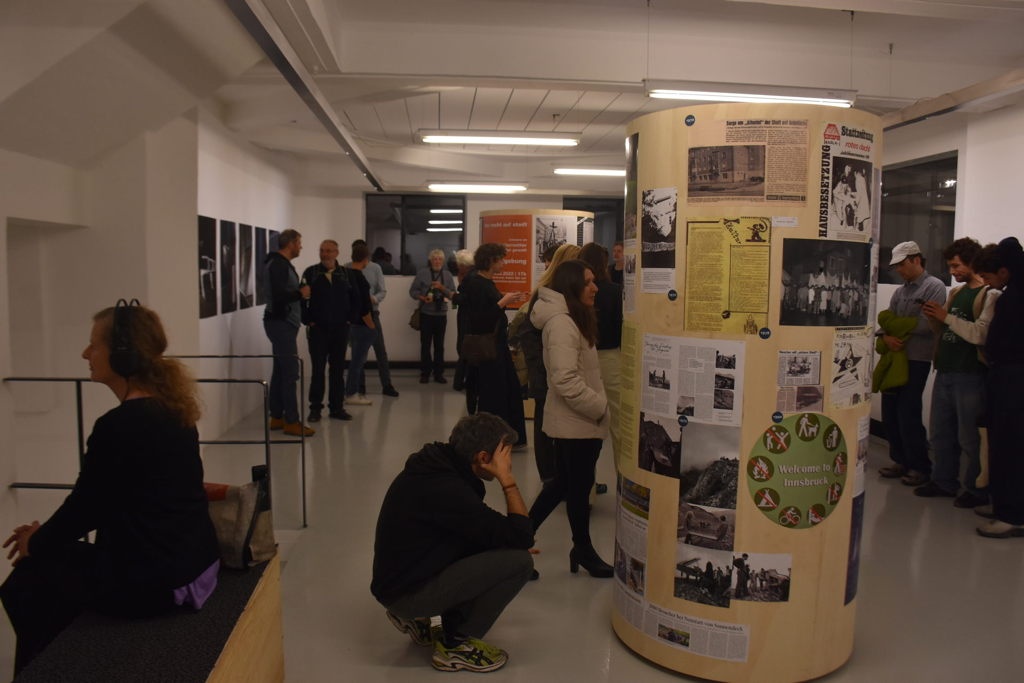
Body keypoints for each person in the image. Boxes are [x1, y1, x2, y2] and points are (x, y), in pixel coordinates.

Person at [1, 303, 220, 676]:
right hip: (193, 563)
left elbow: (85, 508)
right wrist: (43, 539)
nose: (85, 354)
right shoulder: (173, 409)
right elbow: (97, 503)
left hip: (157, 581)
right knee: (52, 559)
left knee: (25, 582)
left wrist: (35, 542)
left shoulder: (118, 425)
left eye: (94, 345)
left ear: (122, 354)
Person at [371, 413, 534, 673]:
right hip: (404, 594)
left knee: (502, 547)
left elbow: (474, 530)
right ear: (483, 457)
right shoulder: (449, 489)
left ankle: (418, 618)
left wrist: (505, 539)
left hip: (399, 580)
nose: (509, 461)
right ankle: (455, 644)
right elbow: (522, 535)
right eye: (505, 455)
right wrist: (508, 480)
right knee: (520, 562)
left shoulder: (438, 466)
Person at [527, 259, 612, 578]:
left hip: (575, 422)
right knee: (576, 489)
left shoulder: (573, 318)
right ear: (571, 286)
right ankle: (583, 549)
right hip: (576, 423)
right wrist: (599, 408)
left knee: (563, 485)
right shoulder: (562, 323)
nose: (595, 287)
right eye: (588, 282)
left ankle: (518, 540)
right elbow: (564, 380)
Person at [918, 238, 999, 505]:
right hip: (945, 370)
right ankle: (944, 480)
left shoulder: (989, 295)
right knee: (940, 432)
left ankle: (975, 489)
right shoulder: (955, 293)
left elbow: (979, 334)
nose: (952, 272)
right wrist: (934, 317)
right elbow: (944, 330)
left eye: (956, 266)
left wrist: (945, 317)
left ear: (972, 263)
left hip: (970, 373)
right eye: (950, 266)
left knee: (970, 437)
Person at [510, 243, 581, 483]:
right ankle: (550, 477)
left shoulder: (555, 292)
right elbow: (529, 337)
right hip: (545, 371)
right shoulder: (547, 295)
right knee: (544, 422)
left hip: (551, 368)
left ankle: (558, 475)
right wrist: (542, 367)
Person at [877, 241, 945, 487]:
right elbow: (885, 321)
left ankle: (919, 466)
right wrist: (887, 337)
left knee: (909, 413)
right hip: (894, 358)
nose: (899, 270)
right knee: (890, 412)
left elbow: (926, 325)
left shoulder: (934, 287)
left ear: (916, 260)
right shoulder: (900, 292)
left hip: (916, 359)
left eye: (902, 265)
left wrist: (893, 327)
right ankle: (900, 460)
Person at [972, 238, 1024, 538]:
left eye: (989, 276)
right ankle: (1003, 504)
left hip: (1012, 382)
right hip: (1006, 378)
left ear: (1004, 271)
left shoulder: (1014, 297)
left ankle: (1012, 514)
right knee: (1001, 443)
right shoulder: (1011, 294)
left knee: (1010, 446)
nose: (987, 283)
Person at [458, 243, 528, 446]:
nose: (503, 263)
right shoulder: (477, 283)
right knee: (494, 393)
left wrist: (506, 300)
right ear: (490, 261)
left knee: (507, 390)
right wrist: (503, 302)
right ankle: (493, 438)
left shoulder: (485, 282)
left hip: (497, 347)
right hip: (489, 350)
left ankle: (507, 436)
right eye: (500, 259)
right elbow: (480, 320)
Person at [263, 228, 314, 436]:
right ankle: (292, 421)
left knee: (281, 370)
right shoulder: (278, 265)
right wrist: (301, 293)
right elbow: (279, 296)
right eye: (299, 242)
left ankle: (276, 416)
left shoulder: (278, 263)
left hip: (282, 322)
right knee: (291, 372)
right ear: (291, 243)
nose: (301, 246)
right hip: (281, 323)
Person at [579, 243, 624, 468]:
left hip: (583, 357)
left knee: (585, 422)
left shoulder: (576, 293)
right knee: (618, 422)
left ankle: (587, 483)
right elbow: (620, 327)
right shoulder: (615, 291)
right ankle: (622, 478)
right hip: (611, 358)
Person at [301, 239, 355, 422]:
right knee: (318, 370)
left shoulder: (346, 274)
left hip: (340, 329)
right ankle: (315, 408)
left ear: (336, 253)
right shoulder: (311, 272)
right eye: (322, 250)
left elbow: (355, 298)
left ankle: (337, 408)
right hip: (318, 329)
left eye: (329, 251)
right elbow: (302, 299)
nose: (325, 254)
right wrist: (308, 320)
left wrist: (349, 319)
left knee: (337, 370)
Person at [349, 240, 399, 398]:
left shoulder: (375, 268)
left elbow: (382, 290)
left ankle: (387, 385)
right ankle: (360, 386)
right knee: (358, 352)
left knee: (380, 351)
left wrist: (374, 299)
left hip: (373, 313)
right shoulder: (346, 268)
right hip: (355, 316)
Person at [410, 249, 457, 384]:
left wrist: (442, 288)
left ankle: (438, 373)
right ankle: (425, 373)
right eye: (434, 259)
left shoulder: (447, 275)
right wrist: (422, 298)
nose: (437, 261)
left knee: (439, 345)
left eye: (439, 259)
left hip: (441, 315)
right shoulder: (422, 273)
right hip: (426, 314)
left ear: (443, 261)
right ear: (430, 261)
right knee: (425, 345)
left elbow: (453, 294)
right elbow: (412, 291)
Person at [344, 242, 378, 407]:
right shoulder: (360, 279)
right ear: (366, 259)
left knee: (355, 362)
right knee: (357, 362)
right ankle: (352, 393)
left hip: (351, 324)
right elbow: (364, 306)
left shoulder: (346, 275)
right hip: (362, 326)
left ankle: (351, 392)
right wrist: (371, 326)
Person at [451, 249, 475, 395]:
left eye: (459, 264)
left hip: (467, 316)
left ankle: (459, 382)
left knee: (463, 347)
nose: (457, 267)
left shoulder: (469, 278)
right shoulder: (473, 275)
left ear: (464, 265)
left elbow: (462, 298)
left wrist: (453, 296)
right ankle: (461, 381)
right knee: (464, 348)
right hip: (468, 316)